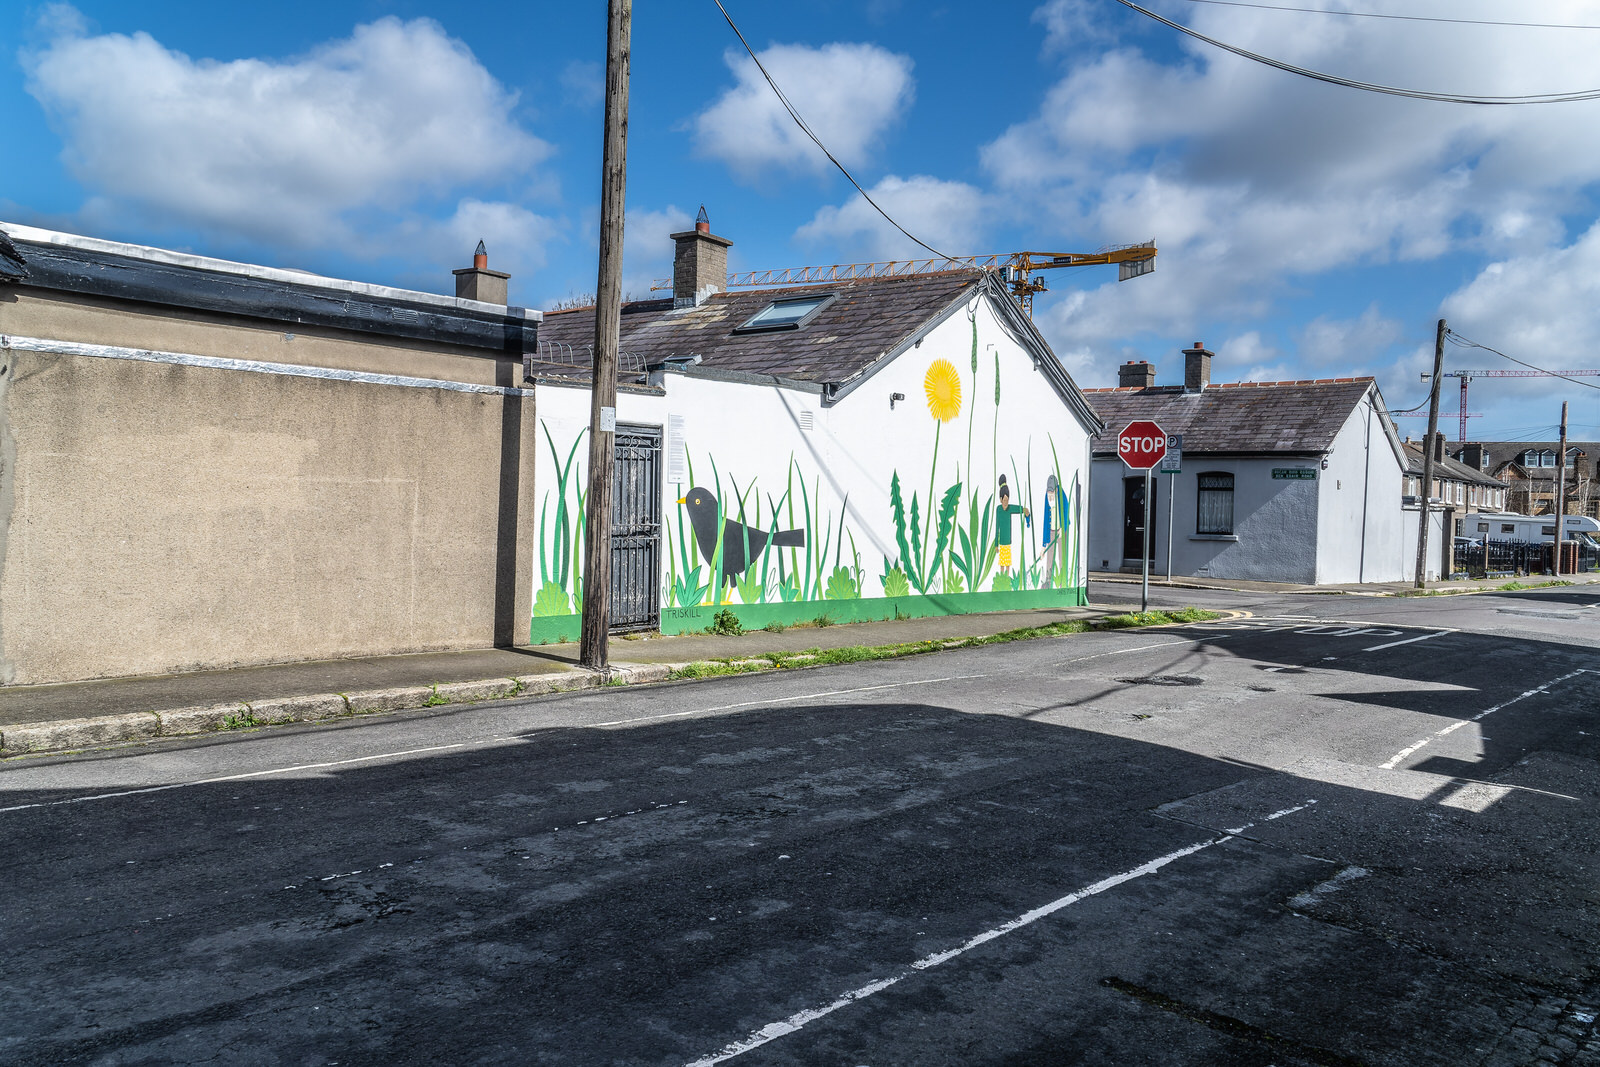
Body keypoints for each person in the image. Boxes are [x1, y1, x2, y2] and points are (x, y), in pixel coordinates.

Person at [994, 474, 1030, 579]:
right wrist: (996, 545)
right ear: (1000, 499)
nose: (1006, 503)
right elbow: (997, 528)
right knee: (1002, 564)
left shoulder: (1010, 508)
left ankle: (1007, 577)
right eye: (1004, 501)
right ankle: (1002, 578)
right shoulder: (999, 509)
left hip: (1008, 542)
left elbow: (1017, 508)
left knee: (1008, 563)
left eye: (1007, 500)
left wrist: (1024, 510)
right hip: (1002, 542)